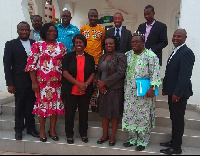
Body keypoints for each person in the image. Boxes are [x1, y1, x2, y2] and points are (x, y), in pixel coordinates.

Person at [25, 23, 67, 142]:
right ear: (44, 32)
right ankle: (42, 130)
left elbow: (65, 65)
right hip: (42, 84)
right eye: (49, 31)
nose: (52, 33)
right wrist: (34, 82)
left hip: (57, 83)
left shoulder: (61, 46)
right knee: (42, 107)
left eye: (54, 31)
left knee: (54, 107)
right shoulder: (37, 45)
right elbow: (31, 65)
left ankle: (52, 130)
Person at [122, 32, 162, 151]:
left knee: (143, 116)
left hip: (144, 92)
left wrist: (152, 88)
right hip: (129, 92)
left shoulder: (151, 56)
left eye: (137, 42)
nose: (134, 44)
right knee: (130, 115)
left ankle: (143, 141)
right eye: (132, 42)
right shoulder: (127, 55)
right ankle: (132, 138)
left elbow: (156, 73)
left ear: (143, 42)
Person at [160, 29, 195, 155]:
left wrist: (177, 93)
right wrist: (165, 87)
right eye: (174, 36)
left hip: (179, 94)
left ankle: (176, 147)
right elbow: (170, 72)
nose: (175, 38)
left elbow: (184, 76)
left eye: (178, 36)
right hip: (172, 91)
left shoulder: (186, 52)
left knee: (178, 119)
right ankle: (173, 141)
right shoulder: (176, 50)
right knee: (174, 118)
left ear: (185, 37)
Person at [3, 21, 39, 140]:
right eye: (21, 29)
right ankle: (18, 130)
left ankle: (30, 128)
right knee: (19, 107)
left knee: (31, 106)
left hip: (33, 81)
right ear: (17, 31)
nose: (24, 32)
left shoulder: (35, 44)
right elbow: (7, 65)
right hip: (18, 81)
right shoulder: (11, 44)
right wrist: (10, 83)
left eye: (26, 29)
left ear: (30, 31)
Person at [61, 34, 95, 144]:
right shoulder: (68, 57)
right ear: (74, 44)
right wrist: (79, 84)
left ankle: (83, 133)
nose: (78, 44)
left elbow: (93, 74)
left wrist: (85, 85)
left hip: (85, 91)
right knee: (70, 114)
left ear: (84, 44)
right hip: (70, 91)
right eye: (76, 42)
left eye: (80, 42)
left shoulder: (90, 58)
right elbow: (65, 73)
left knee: (84, 113)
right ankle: (69, 134)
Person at [96, 36, 127, 146]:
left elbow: (120, 73)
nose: (108, 45)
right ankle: (105, 135)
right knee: (104, 113)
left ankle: (113, 136)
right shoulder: (102, 57)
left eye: (111, 43)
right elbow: (97, 72)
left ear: (115, 44)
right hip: (103, 90)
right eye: (106, 44)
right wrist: (99, 83)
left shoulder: (121, 56)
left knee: (114, 114)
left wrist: (105, 83)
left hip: (115, 89)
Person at [80, 9, 105, 111]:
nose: (93, 18)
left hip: (96, 61)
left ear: (97, 17)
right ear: (88, 17)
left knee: (95, 83)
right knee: (84, 81)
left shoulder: (101, 30)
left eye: (95, 16)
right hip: (84, 60)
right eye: (91, 16)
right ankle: (84, 102)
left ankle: (94, 102)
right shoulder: (83, 29)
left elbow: (103, 44)